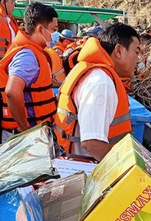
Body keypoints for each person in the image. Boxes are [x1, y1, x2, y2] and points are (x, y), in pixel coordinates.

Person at [54, 23, 140, 161]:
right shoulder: (101, 82)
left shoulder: (90, 70)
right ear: (118, 51)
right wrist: (120, 171)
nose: (138, 59)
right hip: (88, 170)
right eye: (136, 52)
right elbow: (92, 143)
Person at [0, 2, 58, 141]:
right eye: (54, 30)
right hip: (26, 135)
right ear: (41, 29)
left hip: (36, 131)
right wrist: (25, 129)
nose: (55, 35)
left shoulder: (35, 52)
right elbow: (12, 91)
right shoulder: (27, 56)